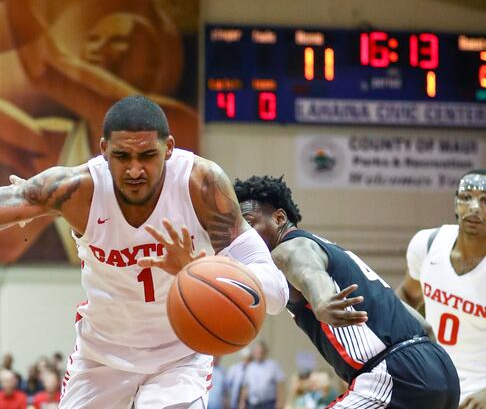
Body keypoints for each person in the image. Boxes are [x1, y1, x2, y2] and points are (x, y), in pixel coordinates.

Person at [0, 95, 289, 408]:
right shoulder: (74, 189)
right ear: (103, 151)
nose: (135, 169)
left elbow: (274, 291)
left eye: (148, 156)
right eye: (122, 157)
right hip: (102, 354)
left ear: (169, 150)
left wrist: (196, 268)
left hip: (178, 356)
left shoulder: (202, 185)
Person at [143, 175, 461, 408]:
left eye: (248, 223)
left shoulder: (288, 249)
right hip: (438, 368)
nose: (242, 236)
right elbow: (425, 325)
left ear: (280, 218)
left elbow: (308, 272)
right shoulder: (332, 249)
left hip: (393, 375)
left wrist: (321, 301)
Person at [397, 169, 486, 407]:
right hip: (432, 382)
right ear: (456, 204)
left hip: (480, 392)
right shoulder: (428, 243)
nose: (475, 207)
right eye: (466, 197)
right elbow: (407, 295)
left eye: (485, 199)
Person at [238, 341, 284, 409]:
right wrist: (242, 402)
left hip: (268, 404)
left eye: (260, 352)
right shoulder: (250, 367)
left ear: (265, 352)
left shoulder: (273, 365)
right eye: (257, 352)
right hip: (252, 404)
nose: (259, 354)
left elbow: (280, 384)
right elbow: (245, 386)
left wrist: (280, 402)